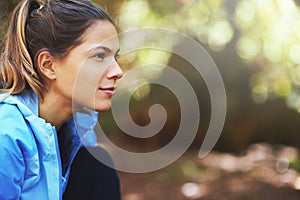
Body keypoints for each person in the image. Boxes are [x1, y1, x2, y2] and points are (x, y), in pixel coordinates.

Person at [0, 0, 123, 199]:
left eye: (115, 58)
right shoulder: (6, 134)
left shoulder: (79, 124)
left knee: (96, 165)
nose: (118, 72)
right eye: (99, 56)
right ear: (48, 65)